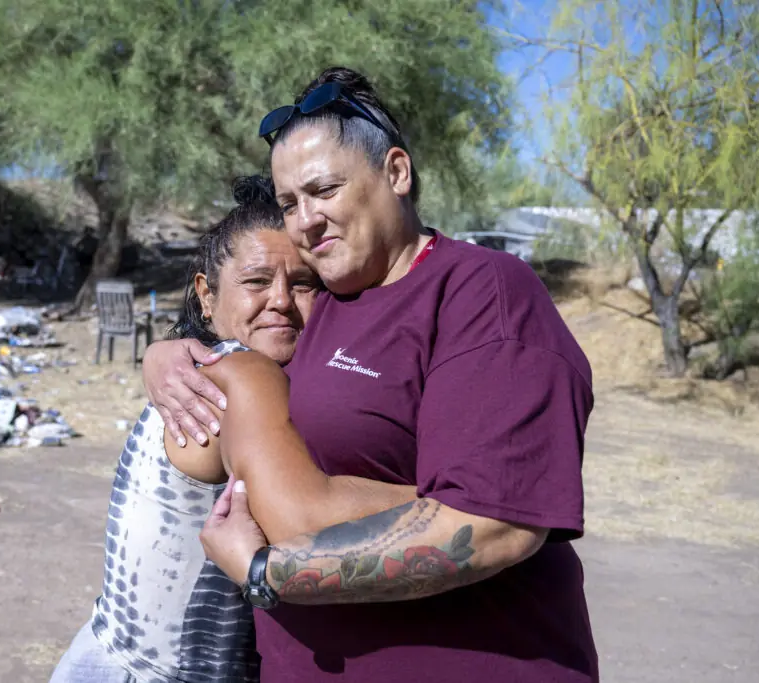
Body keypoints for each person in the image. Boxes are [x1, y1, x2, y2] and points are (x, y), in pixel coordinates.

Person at [142, 67, 599, 682]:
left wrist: (268, 573)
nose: (304, 219)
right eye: (288, 203)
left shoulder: (481, 293)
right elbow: (233, 375)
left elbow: (494, 527)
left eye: (324, 189)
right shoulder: (319, 304)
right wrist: (171, 349)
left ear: (396, 173)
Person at [50, 175, 414, 683]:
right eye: (257, 281)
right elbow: (308, 517)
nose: (282, 300)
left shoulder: (214, 369)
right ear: (206, 293)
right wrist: (469, 503)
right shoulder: (243, 374)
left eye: (304, 283)